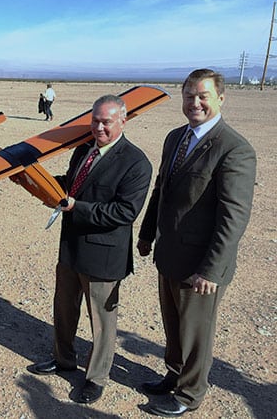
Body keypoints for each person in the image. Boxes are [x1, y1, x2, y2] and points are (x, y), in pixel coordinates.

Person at [137, 69, 256, 417]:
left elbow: (232, 216)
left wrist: (211, 270)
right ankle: (173, 375)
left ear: (221, 98)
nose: (195, 102)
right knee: (173, 326)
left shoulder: (234, 149)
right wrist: (146, 234)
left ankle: (189, 394)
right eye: (189, 95)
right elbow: (162, 190)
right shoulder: (175, 138)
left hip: (201, 265)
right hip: (170, 254)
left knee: (196, 332)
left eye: (203, 95)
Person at [30, 95, 152, 404]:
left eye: (106, 122)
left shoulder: (136, 163)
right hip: (71, 248)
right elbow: (71, 185)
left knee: (101, 320)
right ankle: (63, 359)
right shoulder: (85, 150)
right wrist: (35, 180)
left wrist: (76, 207)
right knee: (64, 309)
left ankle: (96, 378)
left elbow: (124, 212)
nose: (98, 127)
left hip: (104, 256)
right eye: (95, 120)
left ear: (123, 121)